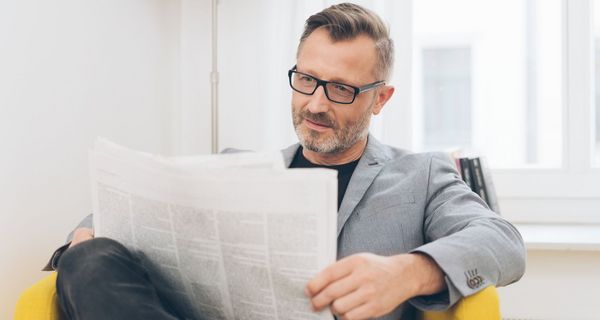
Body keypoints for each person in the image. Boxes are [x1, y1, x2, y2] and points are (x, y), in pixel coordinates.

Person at [47, 3, 526, 320]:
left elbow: (503, 243)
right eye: (306, 80)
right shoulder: (239, 167)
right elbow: (140, 212)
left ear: (381, 99)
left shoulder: (420, 176)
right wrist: (87, 232)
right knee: (88, 259)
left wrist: (408, 272)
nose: (315, 104)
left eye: (340, 89)